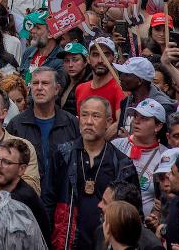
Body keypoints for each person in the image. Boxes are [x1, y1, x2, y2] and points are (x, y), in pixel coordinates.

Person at [43, 96, 139, 250]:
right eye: (84, 115)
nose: (88, 121)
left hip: (106, 243)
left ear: (108, 122)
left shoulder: (122, 164)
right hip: (67, 242)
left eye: (95, 116)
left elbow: (132, 214)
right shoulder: (63, 155)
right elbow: (48, 201)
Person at [6, 66, 80, 177]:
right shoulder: (16, 125)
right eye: (35, 83)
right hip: (28, 191)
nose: (39, 88)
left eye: (45, 83)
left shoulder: (71, 123)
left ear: (56, 89)